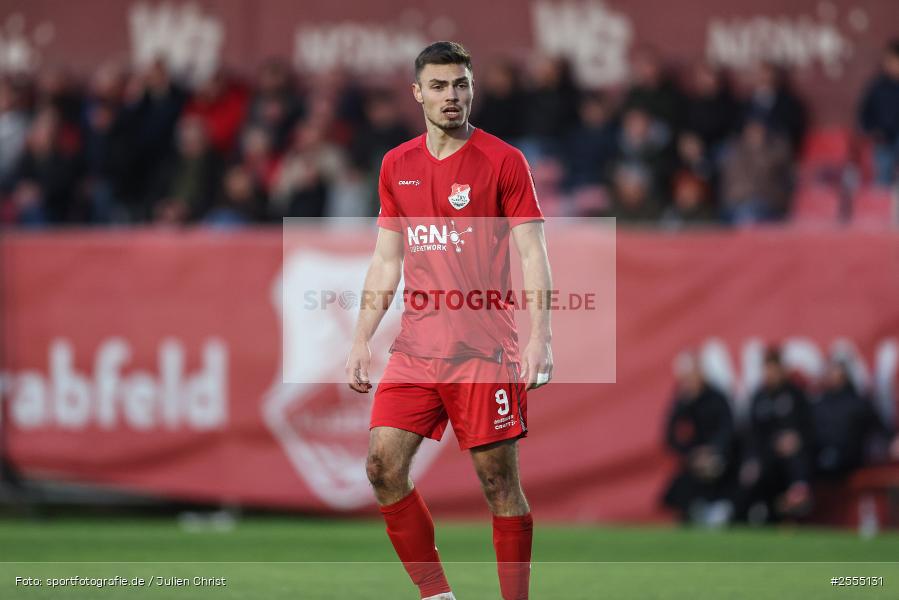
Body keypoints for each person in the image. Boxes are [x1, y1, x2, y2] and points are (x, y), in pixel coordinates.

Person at [345, 42, 553, 600]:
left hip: (483, 349)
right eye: (438, 86)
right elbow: (386, 260)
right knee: (382, 468)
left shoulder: (504, 161)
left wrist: (541, 337)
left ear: (472, 89)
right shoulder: (397, 164)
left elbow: (532, 252)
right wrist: (361, 338)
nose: (451, 96)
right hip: (416, 349)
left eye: (460, 84)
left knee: (499, 485)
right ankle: (437, 596)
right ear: (417, 93)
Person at [737, 347, 814, 523]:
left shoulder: (796, 395)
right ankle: (757, 514)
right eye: (767, 369)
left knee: (797, 459)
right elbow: (752, 434)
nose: (770, 374)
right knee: (752, 473)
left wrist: (796, 439)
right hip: (766, 455)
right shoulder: (759, 397)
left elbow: (809, 428)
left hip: (793, 455)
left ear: (782, 370)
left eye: (773, 369)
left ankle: (798, 492)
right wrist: (753, 458)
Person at [662, 353, 736, 526]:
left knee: (713, 470)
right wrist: (691, 454)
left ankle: (716, 511)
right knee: (682, 485)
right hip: (693, 457)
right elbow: (671, 435)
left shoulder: (717, 398)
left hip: (718, 454)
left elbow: (727, 429)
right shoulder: (683, 401)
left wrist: (712, 450)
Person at [858, 39, 899, 185]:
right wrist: (873, 130)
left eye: (895, 61)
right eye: (889, 61)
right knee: (883, 179)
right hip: (884, 140)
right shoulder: (877, 86)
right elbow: (864, 113)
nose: (892, 65)